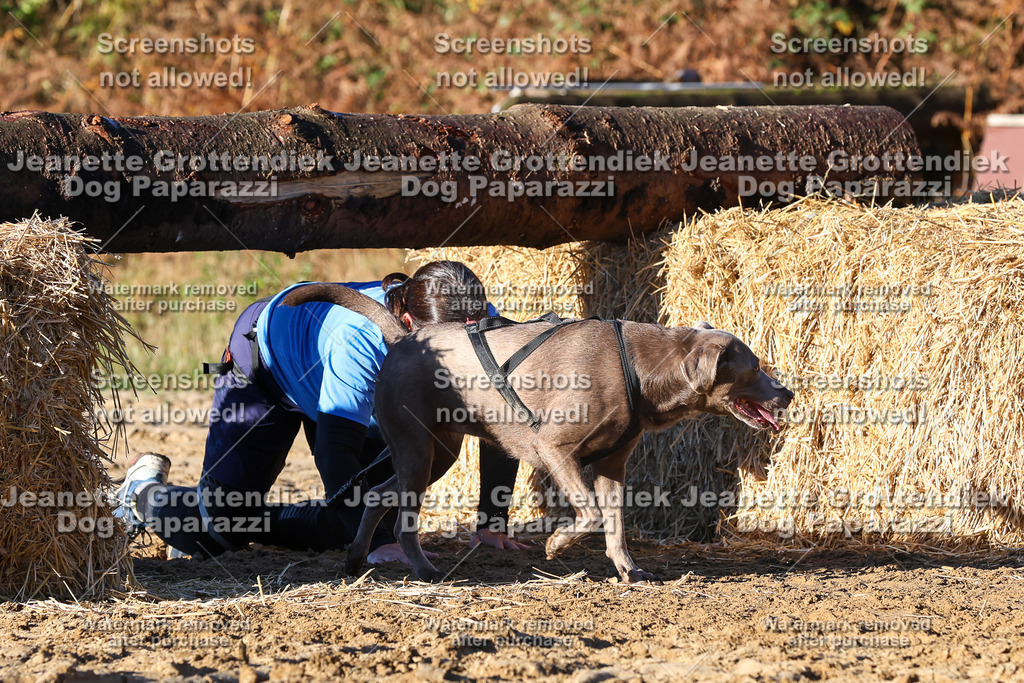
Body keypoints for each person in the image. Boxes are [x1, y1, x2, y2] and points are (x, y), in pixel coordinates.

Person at [114, 260, 527, 563]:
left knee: (347, 522)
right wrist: (380, 541)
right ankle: (142, 491)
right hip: (267, 368)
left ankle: (261, 523)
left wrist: (492, 521)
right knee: (216, 532)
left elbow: (502, 421)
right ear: (406, 322)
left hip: (337, 380)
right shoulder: (359, 341)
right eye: (445, 346)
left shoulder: (482, 325)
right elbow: (334, 449)